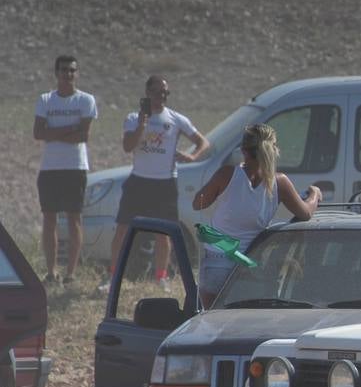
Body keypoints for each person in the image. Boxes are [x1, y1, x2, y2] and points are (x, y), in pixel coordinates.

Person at [192, 123, 320, 307]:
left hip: (217, 261)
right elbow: (306, 213)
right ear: (273, 150)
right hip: (250, 265)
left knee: (213, 322)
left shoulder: (227, 174)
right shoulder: (279, 183)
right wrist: (315, 194)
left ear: (244, 151)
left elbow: (198, 203)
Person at [103, 75, 209, 293]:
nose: (161, 97)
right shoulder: (133, 118)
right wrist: (142, 124)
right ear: (147, 93)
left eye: (165, 93)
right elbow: (128, 146)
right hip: (139, 181)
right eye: (157, 92)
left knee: (164, 233)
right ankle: (113, 275)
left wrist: (192, 156)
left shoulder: (176, 119)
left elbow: (203, 142)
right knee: (123, 229)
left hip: (165, 183)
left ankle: (161, 276)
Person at [32, 55, 97, 285]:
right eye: (63, 70)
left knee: (73, 219)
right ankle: (51, 271)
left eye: (72, 70)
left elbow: (83, 135)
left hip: (74, 167)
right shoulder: (45, 100)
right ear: (56, 73)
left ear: (76, 73)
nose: (67, 74)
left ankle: (70, 273)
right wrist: (70, 128)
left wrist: (55, 131)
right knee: (49, 219)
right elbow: (39, 133)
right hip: (50, 168)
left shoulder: (86, 100)